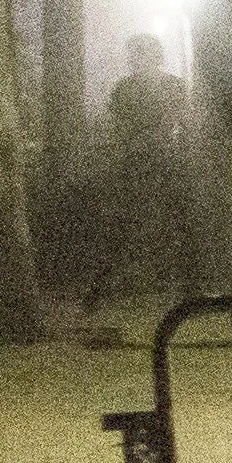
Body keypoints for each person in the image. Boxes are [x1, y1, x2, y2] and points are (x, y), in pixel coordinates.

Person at [81, 35, 190, 308]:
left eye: (139, 55)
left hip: (162, 163)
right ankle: (121, 282)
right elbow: (118, 126)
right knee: (127, 223)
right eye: (133, 55)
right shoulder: (126, 89)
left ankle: (173, 282)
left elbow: (178, 122)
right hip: (138, 163)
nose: (134, 60)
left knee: (171, 221)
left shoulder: (170, 87)